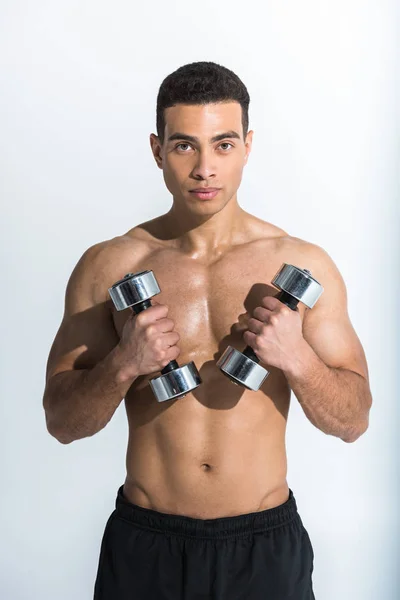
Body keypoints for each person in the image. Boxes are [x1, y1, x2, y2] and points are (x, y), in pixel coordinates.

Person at [42, 61, 373, 599]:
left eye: (222, 145)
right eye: (183, 146)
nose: (204, 169)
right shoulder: (108, 267)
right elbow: (61, 422)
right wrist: (123, 364)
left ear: (247, 146)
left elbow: (354, 420)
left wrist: (299, 359)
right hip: (145, 544)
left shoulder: (301, 262)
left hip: (262, 548)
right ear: (156, 149)